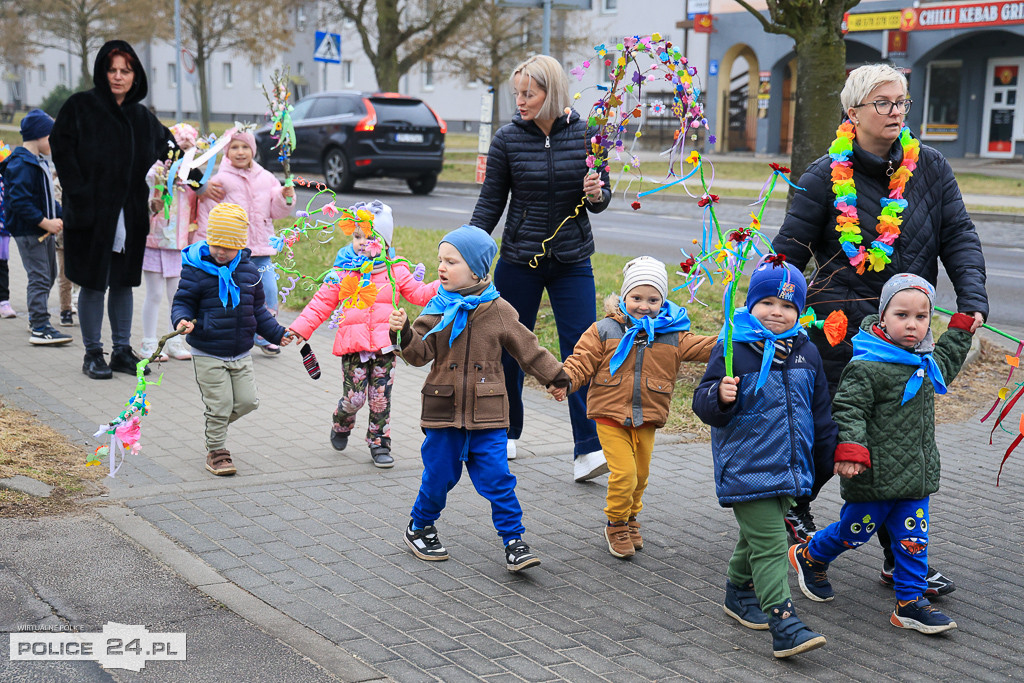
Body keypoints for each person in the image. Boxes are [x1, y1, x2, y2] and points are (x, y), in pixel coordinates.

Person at [772, 63, 987, 594]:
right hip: (840, 329)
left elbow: (959, 234)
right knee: (834, 436)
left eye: (902, 103)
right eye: (884, 103)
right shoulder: (826, 175)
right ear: (853, 112)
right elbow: (789, 251)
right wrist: (769, 309)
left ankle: (901, 559)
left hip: (907, 329)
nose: (896, 112)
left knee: (900, 444)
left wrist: (973, 297)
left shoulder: (930, 168)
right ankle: (792, 515)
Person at [789, 274, 975, 635]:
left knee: (913, 540)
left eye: (921, 317)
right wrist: (851, 451)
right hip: (874, 474)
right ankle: (810, 556)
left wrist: (963, 328)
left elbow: (948, 360)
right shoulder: (867, 365)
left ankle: (910, 603)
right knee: (854, 531)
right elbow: (848, 410)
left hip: (914, 476)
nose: (912, 324)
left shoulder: (923, 360)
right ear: (883, 317)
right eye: (902, 315)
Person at [388, 225, 569, 572]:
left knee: (498, 479)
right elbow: (419, 354)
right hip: (444, 410)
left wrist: (556, 377)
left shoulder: (499, 310)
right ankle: (420, 526)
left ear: (476, 269)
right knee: (439, 476)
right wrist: (403, 331)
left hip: (488, 413)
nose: (441, 267)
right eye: (440, 259)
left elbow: (529, 349)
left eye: (451, 261)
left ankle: (514, 541)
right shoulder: (438, 306)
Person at [470, 54, 611, 481]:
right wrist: (467, 247)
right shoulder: (507, 139)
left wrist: (595, 191)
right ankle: (507, 432)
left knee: (581, 351)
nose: (521, 101)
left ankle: (587, 449)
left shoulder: (590, 136)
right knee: (511, 347)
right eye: (517, 94)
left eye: (528, 93)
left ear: (552, 92)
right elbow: (491, 202)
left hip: (572, 261)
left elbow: (600, 203)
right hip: (519, 260)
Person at [50, 40, 222, 380]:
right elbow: (61, 147)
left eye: (125, 71)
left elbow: (172, 154)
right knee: (93, 284)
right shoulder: (80, 107)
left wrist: (200, 181)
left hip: (128, 216)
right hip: (90, 215)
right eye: (112, 70)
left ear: (135, 75)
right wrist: (80, 194)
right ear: (102, 72)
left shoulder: (142, 117)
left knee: (123, 283)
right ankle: (92, 354)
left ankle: (121, 351)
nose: (117, 76)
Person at [692, 257, 837, 659]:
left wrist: (828, 457)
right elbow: (701, 401)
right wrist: (718, 396)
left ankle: (738, 591)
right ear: (752, 304)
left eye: (788, 306)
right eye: (769, 302)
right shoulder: (734, 347)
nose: (778, 312)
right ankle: (784, 621)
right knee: (772, 543)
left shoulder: (806, 351)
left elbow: (820, 413)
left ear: (799, 311)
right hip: (746, 466)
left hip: (791, 467)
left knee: (757, 536)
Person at [561, 256, 716, 558]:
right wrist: (564, 379)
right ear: (623, 297)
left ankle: (631, 517)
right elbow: (580, 361)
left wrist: (741, 335)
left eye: (653, 299)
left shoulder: (672, 334)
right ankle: (615, 523)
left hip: (647, 416)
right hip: (609, 414)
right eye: (636, 297)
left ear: (663, 301)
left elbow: (706, 346)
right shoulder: (604, 330)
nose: (644, 305)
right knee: (625, 474)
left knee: (641, 474)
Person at [287, 200, 439, 468]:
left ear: (385, 242)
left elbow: (419, 294)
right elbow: (322, 302)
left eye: (368, 238)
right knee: (354, 398)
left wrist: (446, 283)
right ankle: (341, 421)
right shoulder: (344, 270)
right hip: (353, 347)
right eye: (357, 236)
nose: (361, 242)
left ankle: (379, 444)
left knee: (379, 399)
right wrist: (301, 327)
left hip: (385, 347)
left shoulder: (396, 270)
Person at [171, 203, 293, 476]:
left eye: (228, 246)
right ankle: (216, 450)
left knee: (249, 401)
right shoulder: (196, 269)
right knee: (221, 404)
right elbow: (183, 302)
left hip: (240, 351)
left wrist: (277, 333)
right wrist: (182, 320)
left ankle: (215, 425)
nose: (221, 251)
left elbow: (258, 310)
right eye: (216, 244)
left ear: (240, 245)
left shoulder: (249, 272)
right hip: (207, 349)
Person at [196, 125, 294, 355]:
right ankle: (238, 333)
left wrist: (285, 198)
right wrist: (204, 243)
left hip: (262, 247)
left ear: (253, 150)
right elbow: (209, 212)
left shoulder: (266, 178)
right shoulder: (221, 180)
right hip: (235, 251)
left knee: (269, 288)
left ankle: (265, 334)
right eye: (235, 147)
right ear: (226, 152)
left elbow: (277, 212)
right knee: (241, 294)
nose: (240, 152)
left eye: (245, 147)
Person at [0, 109, 72, 345]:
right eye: (51, 136)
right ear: (40, 136)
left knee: (49, 273)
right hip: (31, 232)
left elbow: (45, 200)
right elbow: (19, 201)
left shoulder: (36, 161)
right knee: (40, 277)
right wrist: (46, 222)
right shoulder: (21, 164)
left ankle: (37, 319)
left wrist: (63, 215)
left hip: (42, 230)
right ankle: (40, 326)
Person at [141, 122, 199, 362]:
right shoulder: (155, 171)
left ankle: (174, 340)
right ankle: (149, 342)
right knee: (153, 294)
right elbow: (147, 190)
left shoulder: (192, 175)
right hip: (154, 240)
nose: (183, 154)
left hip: (178, 244)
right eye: (179, 148)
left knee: (176, 295)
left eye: (188, 149)